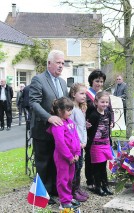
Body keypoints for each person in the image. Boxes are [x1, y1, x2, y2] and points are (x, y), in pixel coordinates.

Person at [29, 50, 68, 204]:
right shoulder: (38, 80)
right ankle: (42, 195)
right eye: (58, 62)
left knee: (55, 161)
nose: (61, 66)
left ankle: (53, 190)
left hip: (59, 132)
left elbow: (66, 105)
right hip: (43, 130)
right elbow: (33, 103)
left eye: (63, 63)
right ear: (49, 63)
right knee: (44, 162)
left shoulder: (63, 82)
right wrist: (49, 117)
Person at [47, 97, 81, 210]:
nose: (70, 112)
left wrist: (77, 153)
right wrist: (69, 156)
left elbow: (76, 138)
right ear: (60, 111)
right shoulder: (58, 125)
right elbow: (60, 143)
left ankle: (69, 197)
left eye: (71, 109)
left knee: (71, 178)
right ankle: (64, 201)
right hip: (63, 157)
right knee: (63, 179)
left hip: (72, 157)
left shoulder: (70, 122)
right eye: (68, 110)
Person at [85, 69, 114, 190]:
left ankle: (101, 182)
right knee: (90, 156)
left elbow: (110, 110)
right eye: (97, 81)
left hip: (103, 130)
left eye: (101, 81)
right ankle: (90, 180)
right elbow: (83, 110)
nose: (99, 84)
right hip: (91, 129)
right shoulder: (86, 94)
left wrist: (112, 120)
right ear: (92, 81)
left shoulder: (105, 95)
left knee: (102, 159)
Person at [69, 83, 89, 202]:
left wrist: (84, 140)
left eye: (85, 94)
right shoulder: (71, 110)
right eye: (81, 93)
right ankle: (73, 191)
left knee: (80, 166)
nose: (84, 96)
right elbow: (71, 128)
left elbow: (82, 127)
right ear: (73, 94)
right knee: (75, 167)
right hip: (75, 144)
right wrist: (78, 142)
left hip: (81, 143)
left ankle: (77, 188)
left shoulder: (82, 108)